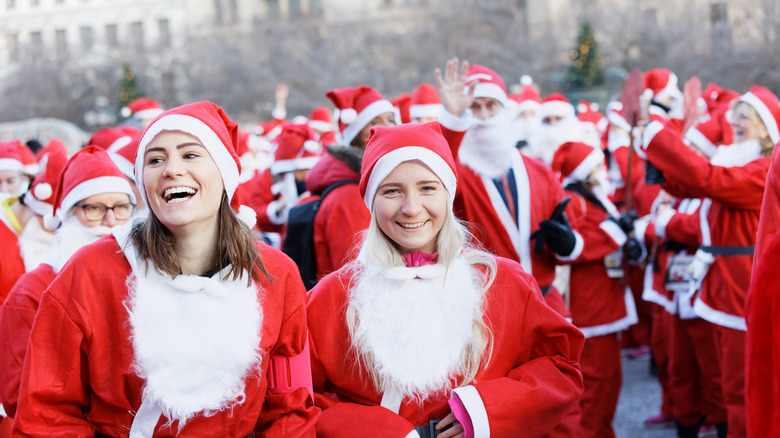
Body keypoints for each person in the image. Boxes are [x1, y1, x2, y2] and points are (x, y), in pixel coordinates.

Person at [13, 101, 318, 436]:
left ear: (224, 171)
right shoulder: (90, 270)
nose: (171, 169)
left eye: (190, 155)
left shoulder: (276, 274)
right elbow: (46, 413)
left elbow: (289, 408)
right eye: (155, 159)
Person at [307, 121, 584, 437]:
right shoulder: (332, 297)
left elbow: (560, 367)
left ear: (448, 194)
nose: (412, 208)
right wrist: (373, 430)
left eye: (427, 187)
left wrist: (486, 411)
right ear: (371, 200)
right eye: (392, 190)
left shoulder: (503, 282)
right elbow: (296, 401)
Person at [638, 85, 780, 437]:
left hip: (740, 284)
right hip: (721, 282)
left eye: (744, 117)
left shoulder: (761, 169)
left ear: (765, 126)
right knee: (722, 378)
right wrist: (662, 167)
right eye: (735, 116)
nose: (735, 123)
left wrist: (657, 127)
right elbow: (696, 183)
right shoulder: (741, 160)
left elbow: (709, 180)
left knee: (739, 385)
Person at [434, 58, 582, 318]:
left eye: (491, 105)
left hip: (545, 303)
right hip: (486, 310)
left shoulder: (539, 170)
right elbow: (437, 172)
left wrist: (567, 243)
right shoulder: (456, 172)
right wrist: (452, 119)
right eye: (474, 108)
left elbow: (573, 229)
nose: (483, 116)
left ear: (505, 110)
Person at [0, 146, 137, 419]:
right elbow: (20, 396)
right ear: (68, 215)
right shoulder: (32, 291)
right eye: (94, 208)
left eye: (121, 207)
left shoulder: (151, 278)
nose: (110, 220)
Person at [551, 141, 641, 438]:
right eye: (598, 164)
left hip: (606, 300)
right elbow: (574, 246)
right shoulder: (572, 199)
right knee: (596, 384)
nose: (604, 169)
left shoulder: (595, 197)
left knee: (609, 381)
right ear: (587, 171)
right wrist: (616, 231)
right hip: (589, 306)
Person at [302, 85, 395, 279]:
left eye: (391, 119)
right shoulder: (349, 194)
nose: (387, 127)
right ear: (355, 135)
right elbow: (358, 275)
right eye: (374, 121)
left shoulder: (368, 182)